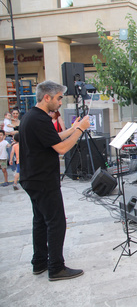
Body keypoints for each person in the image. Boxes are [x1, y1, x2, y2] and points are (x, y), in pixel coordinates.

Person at [19, 80, 91, 281]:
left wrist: (73, 127)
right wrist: (80, 130)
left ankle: (39, 262)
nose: (60, 103)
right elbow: (61, 148)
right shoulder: (40, 119)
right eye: (59, 98)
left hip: (32, 178)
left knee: (40, 221)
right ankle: (56, 267)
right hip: (42, 179)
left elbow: (54, 137)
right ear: (47, 97)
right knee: (56, 222)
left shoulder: (31, 117)